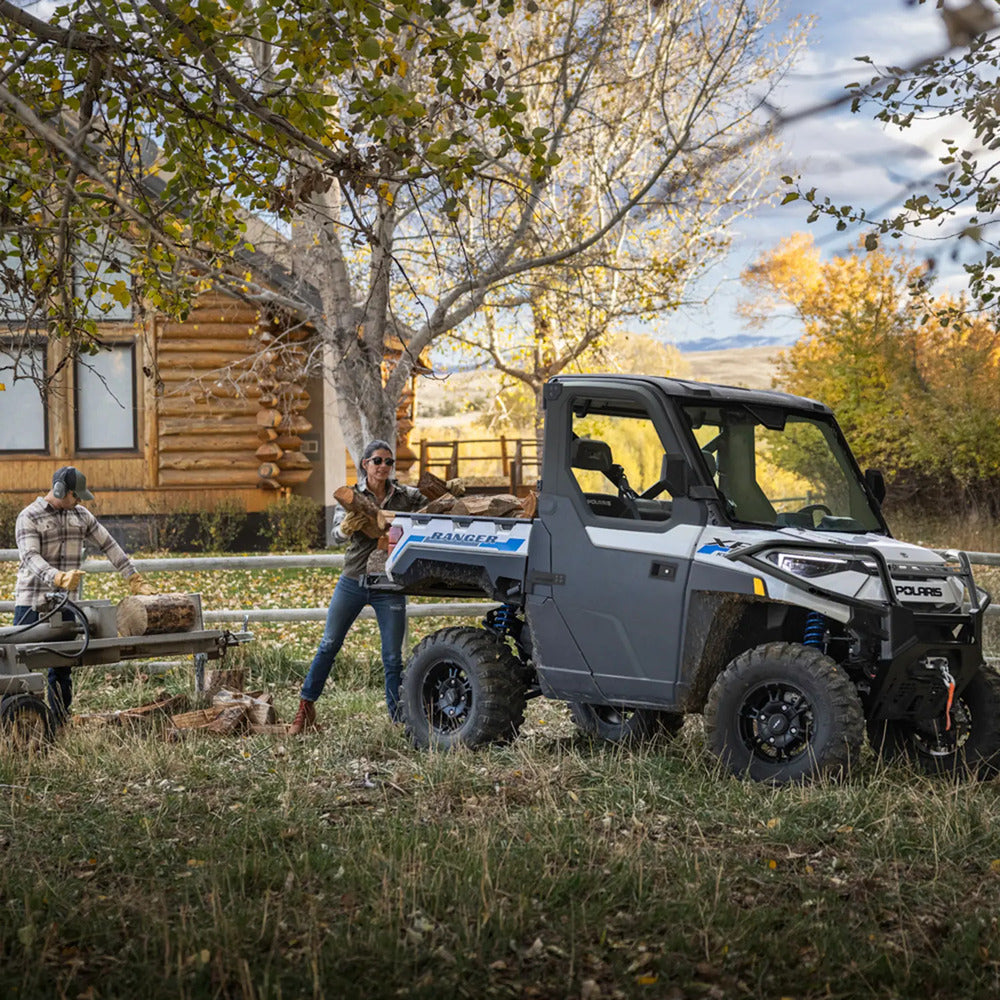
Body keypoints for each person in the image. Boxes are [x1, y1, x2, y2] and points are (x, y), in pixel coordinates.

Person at [289, 440, 425, 734]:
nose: (384, 467)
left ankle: (397, 720)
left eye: (389, 462)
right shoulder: (352, 496)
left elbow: (430, 507)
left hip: (389, 584)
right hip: (353, 580)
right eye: (377, 461)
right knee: (328, 645)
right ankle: (304, 709)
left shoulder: (405, 496)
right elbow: (336, 534)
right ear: (365, 464)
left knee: (392, 657)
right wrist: (347, 526)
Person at [14, 465, 155, 724]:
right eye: (75, 495)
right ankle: (20, 722)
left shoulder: (81, 515)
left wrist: (133, 577)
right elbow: (30, 557)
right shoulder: (29, 517)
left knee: (61, 667)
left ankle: (58, 722)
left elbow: (108, 544)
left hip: (65, 605)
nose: (79, 500)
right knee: (20, 664)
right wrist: (56, 577)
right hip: (32, 603)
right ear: (60, 490)